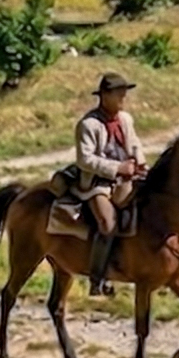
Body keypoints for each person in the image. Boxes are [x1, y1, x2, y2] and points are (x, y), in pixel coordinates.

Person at [70, 72, 145, 294]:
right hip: (97, 184)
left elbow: (134, 144)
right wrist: (116, 168)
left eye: (125, 92)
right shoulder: (88, 125)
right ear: (104, 95)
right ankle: (97, 278)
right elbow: (85, 159)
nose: (124, 97)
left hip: (125, 178)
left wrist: (139, 162)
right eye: (119, 93)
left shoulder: (125, 119)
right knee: (107, 223)